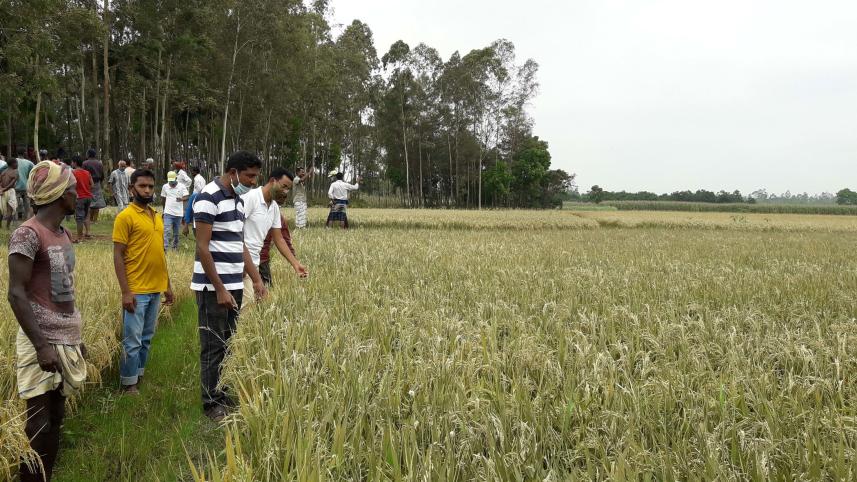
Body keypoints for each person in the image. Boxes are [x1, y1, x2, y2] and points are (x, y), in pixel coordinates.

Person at [8, 161, 86, 482]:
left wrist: (76, 337)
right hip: (39, 341)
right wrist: (41, 346)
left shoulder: (63, 233)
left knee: (55, 418)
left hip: (64, 339)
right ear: (59, 195)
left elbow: (65, 290)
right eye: (73, 189)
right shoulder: (27, 234)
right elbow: (16, 294)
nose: (78, 194)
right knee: (38, 424)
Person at [192, 150, 267, 421]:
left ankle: (221, 393)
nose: (253, 182)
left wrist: (256, 279)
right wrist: (220, 288)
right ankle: (210, 403)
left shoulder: (238, 201)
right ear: (233, 172)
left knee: (228, 342)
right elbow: (202, 247)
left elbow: (239, 243)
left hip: (234, 284)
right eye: (249, 176)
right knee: (213, 344)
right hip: (213, 288)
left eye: (256, 177)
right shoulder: (208, 197)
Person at [112, 169, 175, 395]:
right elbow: (118, 255)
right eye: (142, 186)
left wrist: (167, 285)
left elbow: (160, 254)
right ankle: (128, 385)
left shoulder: (157, 216)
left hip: (156, 288)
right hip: (136, 290)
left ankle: (138, 376)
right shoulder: (125, 217)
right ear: (131, 189)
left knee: (146, 338)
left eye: (150, 186)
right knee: (132, 340)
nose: (147, 190)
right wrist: (125, 292)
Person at [241, 168, 308, 302]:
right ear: (272, 181)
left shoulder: (274, 208)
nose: (285, 192)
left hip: (254, 263)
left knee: (256, 304)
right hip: (241, 262)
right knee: (246, 308)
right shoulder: (251, 198)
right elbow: (235, 230)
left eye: (288, 189)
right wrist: (241, 262)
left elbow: (279, 239)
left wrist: (295, 264)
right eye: (284, 186)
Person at [258, 214, 297, 287]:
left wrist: (295, 263)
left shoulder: (276, 215)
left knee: (265, 290)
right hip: (247, 260)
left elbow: (283, 240)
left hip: (262, 261)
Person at [161, 171, 188, 251]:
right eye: (170, 181)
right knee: (167, 230)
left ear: (176, 178)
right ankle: (165, 248)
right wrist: (164, 210)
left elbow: (187, 196)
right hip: (168, 212)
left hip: (178, 213)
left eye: (173, 180)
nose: (171, 182)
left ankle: (175, 247)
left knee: (176, 233)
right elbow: (163, 199)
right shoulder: (165, 186)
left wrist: (181, 199)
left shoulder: (182, 186)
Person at [71, 157, 93, 242]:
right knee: (86, 215)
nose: (71, 164)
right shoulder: (87, 172)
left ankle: (79, 237)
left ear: (75, 163)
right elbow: (92, 184)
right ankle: (88, 233)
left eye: (72, 162)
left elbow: (71, 185)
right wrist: (87, 189)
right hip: (88, 197)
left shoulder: (73, 172)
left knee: (79, 217)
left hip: (79, 197)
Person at [82, 149, 105, 223]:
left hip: (87, 183)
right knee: (97, 202)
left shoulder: (85, 163)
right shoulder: (99, 163)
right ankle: (95, 220)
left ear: (88, 154)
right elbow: (102, 175)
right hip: (97, 183)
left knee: (89, 201)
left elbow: (83, 173)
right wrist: (100, 181)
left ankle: (90, 219)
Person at [182, 165, 206, 237]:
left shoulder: (196, 179)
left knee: (189, 209)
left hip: (197, 195)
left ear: (195, 172)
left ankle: (187, 223)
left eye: (192, 171)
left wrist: (196, 196)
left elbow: (199, 188)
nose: (191, 173)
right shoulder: (202, 178)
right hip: (203, 195)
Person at [16, 147, 34, 220]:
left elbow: (2, 168)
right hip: (26, 186)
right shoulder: (29, 163)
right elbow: (34, 170)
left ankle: (16, 219)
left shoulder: (13, 161)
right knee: (27, 204)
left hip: (15, 186)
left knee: (15, 204)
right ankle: (27, 218)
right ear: (24, 153)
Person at [1, 157, 19, 229]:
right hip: (10, 191)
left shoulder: (3, 172)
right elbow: (12, 183)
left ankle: (0, 226)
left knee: (1, 210)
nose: (17, 164)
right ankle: (7, 227)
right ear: (13, 164)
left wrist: (1, 189)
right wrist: (5, 189)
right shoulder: (15, 172)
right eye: (16, 163)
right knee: (10, 210)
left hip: (2, 192)